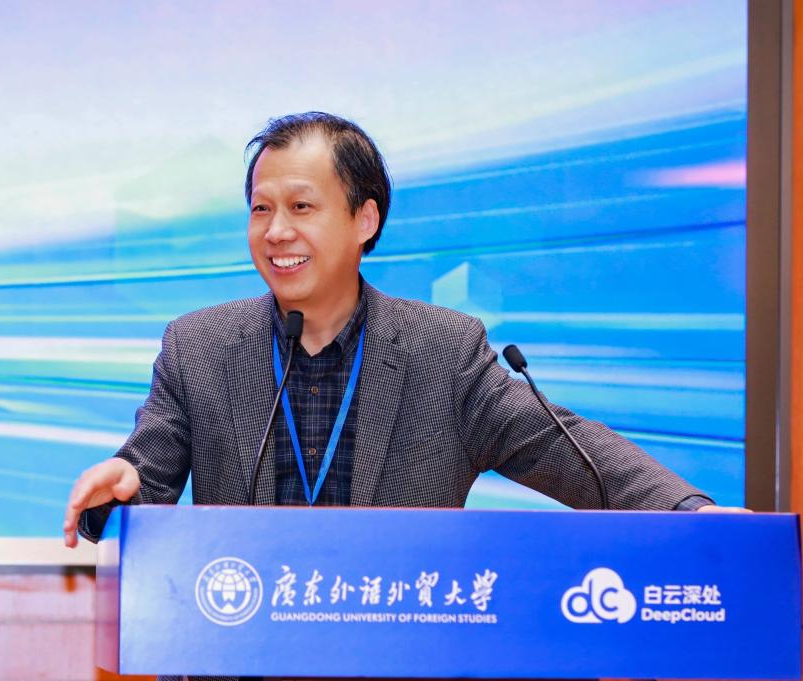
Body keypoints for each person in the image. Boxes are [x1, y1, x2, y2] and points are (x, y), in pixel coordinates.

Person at [64, 111, 739, 548]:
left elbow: (566, 448)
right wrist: (121, 481)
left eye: (302, 207)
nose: (275, 232)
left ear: (365, 220)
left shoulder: (445, 353)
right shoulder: (200, 347)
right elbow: (143, 477)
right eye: (261, 209)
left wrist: (689, 515)